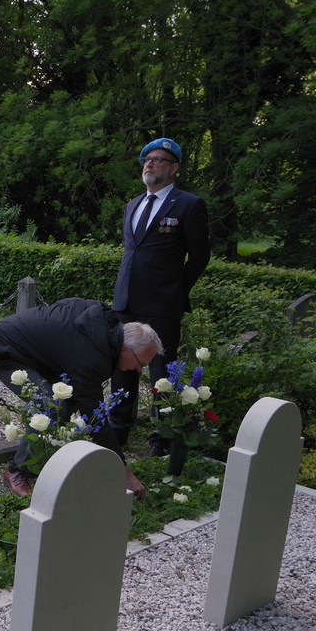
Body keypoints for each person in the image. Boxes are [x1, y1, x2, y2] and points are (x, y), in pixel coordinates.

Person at [0, 297, 162, 498]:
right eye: (140, 364)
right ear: (126, 348)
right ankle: (16, 471)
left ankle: (50, 455)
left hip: (32, 350)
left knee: (68, 399)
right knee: (51, 406)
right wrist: (122, 471)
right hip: (3, 349)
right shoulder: (92, 355)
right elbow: (95, 418)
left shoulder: (105, 330)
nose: (138, 370)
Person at [109, 137, 210, 454]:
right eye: (146, 160)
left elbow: (200, 257)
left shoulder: (188, 205)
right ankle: (117, 432)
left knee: (162, 372)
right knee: (122, 366)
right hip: (126, 301)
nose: (149, 164)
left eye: (158, 160)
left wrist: (177, 290)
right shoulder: (133, 204)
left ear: (174, 168)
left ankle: (161, 438)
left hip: (162, 304)